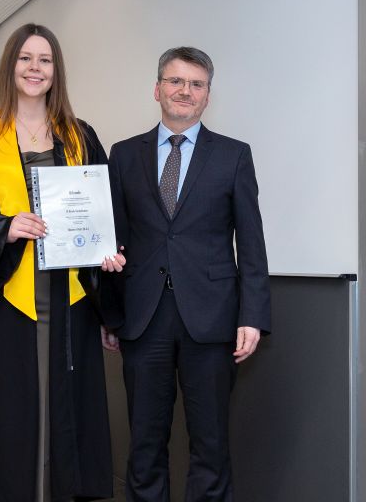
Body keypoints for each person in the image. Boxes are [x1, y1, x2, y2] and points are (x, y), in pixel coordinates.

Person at [0, 24, 114, 502]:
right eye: (26, 58)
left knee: (66, 403)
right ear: (10, 65)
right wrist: (3, 227)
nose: (35, 68)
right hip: (4, 297)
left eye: (45, 60)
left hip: (69, 295)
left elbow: (103, 207)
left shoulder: (80, 135)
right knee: (7, 409)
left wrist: (108, 247)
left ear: (57, 70)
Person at [102, 47, 272, 501]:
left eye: (196, 84)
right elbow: (114, 236)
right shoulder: (124, 154)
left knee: (210, 444)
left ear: (207, 96)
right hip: (143, 317)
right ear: (157, 89)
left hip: (213, 319)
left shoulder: (234, 155)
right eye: (176, 81)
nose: (185, 91)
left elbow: (251, 242)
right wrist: (109, 313)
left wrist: (252, 315)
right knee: (144, 443)